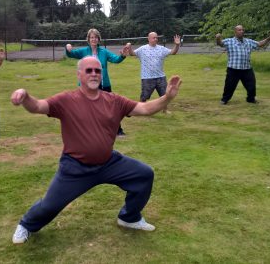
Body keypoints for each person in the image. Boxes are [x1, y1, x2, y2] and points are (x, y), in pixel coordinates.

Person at [10, 56, 181, 244]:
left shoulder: (114, 100)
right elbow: (38, 107)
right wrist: (25, 96)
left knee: (144, 174)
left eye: (97, 71)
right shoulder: (66, 100)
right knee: (49, 206)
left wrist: (167, 98)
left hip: (109, 163)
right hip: (75, 168)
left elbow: (145, 108)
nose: (94, 74)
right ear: (79, 74)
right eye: (89, 70)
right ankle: (26, 224)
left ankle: (129, 217)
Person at [65, 28, 131, 135]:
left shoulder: (104, 52)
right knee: (86, 108)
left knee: (110, 107)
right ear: (88, 39)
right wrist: (68, 48)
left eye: (95, 37)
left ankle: (118, 130)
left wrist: (122, 55)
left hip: (104, 84)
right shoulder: (83, 51)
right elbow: (70, 54)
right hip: (88, 85)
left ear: (98, 39)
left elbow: (116, 59)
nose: (93, 39)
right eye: (91, 37)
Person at [215, 25, 270, 105]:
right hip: (233, 69)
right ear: (235, 32)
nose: (242, 31)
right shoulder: (229, 41)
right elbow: (220, 43)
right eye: (239, 30)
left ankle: (250, 99)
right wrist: (218, 38)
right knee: (229, 86)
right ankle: (224, 100)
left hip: (246, 68)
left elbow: (259, 44)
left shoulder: (248, 41)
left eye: (243, 30)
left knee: (251, 85)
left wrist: (269, 38)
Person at [128, 32, 180, 112]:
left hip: (160, 76)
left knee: (165, 95)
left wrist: (177, 45)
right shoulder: (143, 49)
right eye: (154, 38)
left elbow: (173, 52)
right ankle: (140, 110)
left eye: (156, 37)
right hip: (147, 77)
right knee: (144, 96)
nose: (156, 39)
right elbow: (132, 54)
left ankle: (165, 110)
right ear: (148, 39)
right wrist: (129, 48)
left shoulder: (161, 48)